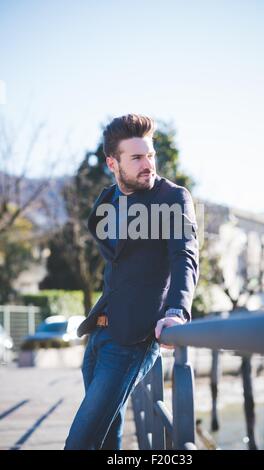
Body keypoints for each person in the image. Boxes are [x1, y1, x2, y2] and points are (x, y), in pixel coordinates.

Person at [64, 114, 199, 450]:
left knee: (80, 441)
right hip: (99, 335)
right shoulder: (106, 202)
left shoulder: (173, 198)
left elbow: (185, 257)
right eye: (137, 158)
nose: (147, 164)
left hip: (132, 340)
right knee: (108, 438)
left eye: (150, 155)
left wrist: (177, 311)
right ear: (113, 162)